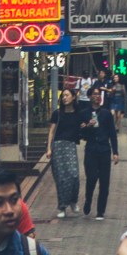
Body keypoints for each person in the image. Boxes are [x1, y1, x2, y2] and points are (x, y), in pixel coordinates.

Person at [81, 85, 118, 218]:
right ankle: (88, 199)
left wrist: (115, 152)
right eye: (95, 94)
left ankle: (100, 210)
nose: (97, 96)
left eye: (99, 94)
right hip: (91, 149)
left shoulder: (106, 113)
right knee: (91, 177)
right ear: (90, 97)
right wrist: (87, 126)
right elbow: (81, 134)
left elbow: (112, 133)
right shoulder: (84, 113)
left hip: (104, 149)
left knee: (104, 181)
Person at [46, 85, 82, 217]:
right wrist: (49, 148)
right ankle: (62, 207)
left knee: (74, 175)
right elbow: (51, 131)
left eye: (67, 95)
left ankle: (73, 201)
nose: (64, 98)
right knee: (61, 178)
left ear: (73, 97)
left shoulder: (78, 113)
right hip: (58, 146)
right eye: (63, 96)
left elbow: (84, 125)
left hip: (70, 146)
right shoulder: (57, 113)